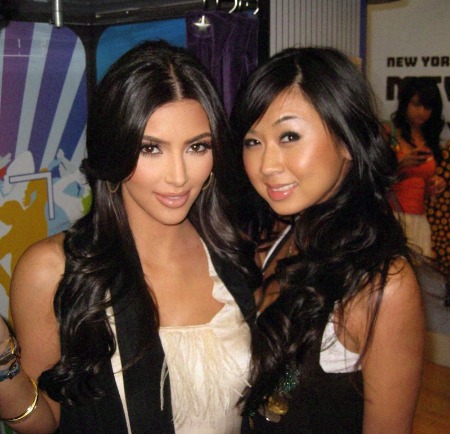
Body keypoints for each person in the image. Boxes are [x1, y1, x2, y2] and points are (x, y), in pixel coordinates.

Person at [0, 40, 259, 434]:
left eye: (197, 146)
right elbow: (45, 421)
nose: (178, 176)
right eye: (151, 148)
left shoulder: (232, 253)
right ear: (114, 148)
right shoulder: (54, 269)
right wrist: (3, 362)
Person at [230, 47, 425, 433]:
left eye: (289, 136)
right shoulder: (279, 242)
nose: (266, 165)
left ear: (346, 141)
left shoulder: (382, 285)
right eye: (253, 141)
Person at [388, 77, 446, 257]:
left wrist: (435, 185)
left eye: (428, 107)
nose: (422, 112)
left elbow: (424, 186)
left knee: (420, 270)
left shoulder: (429, 138)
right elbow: (373, 178)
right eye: (416, 104)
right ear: (405, 103)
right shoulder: (389, 133)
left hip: (420, 219)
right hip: (392, 216)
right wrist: (400, 165)